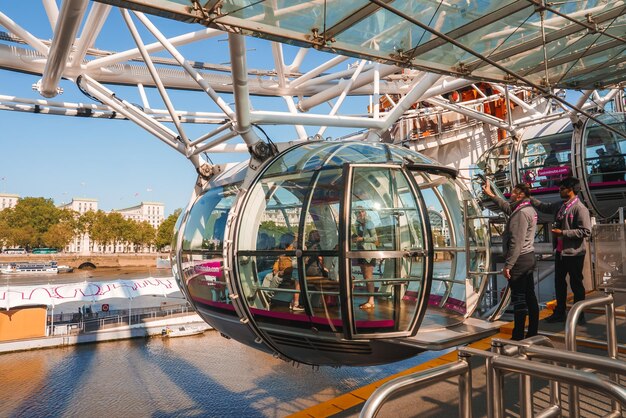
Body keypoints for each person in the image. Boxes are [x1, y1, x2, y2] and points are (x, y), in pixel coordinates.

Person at [530, 177, 592, 324]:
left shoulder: (579, 208)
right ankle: (560, 313)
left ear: (571, 190)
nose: (559, 189)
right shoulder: (560, 205)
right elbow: (544, 207)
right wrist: (530, 198)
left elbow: (586, 231)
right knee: (559, 283)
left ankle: (579, 315)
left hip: (574, 253)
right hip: (560, 252)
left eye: (562, 187)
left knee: (576, 284)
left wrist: (563, 233)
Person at [483, 181, 539, 340]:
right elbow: (506, 207)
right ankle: (533, 331)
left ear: (520, 195)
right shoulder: (528, 208)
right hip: (528, 257)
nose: (510, 195)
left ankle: (518, 335)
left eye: (513, 193)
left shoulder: (521, 213)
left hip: (520, 260)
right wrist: (491, 195)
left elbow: (517, 242)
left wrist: (508, 265)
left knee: (519, 298)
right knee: (530, 295)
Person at [352, 207, 379, 309]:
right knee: (365, 277)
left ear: (365, 212)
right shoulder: (358, 224)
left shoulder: (369, 222)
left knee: (368, 277)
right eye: (358, 212)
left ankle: (371, 300)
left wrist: (362, 238)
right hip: (361, 251)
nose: (360, 214)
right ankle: (370, 300)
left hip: (368, 251)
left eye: (362, 211)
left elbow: (375, 238)